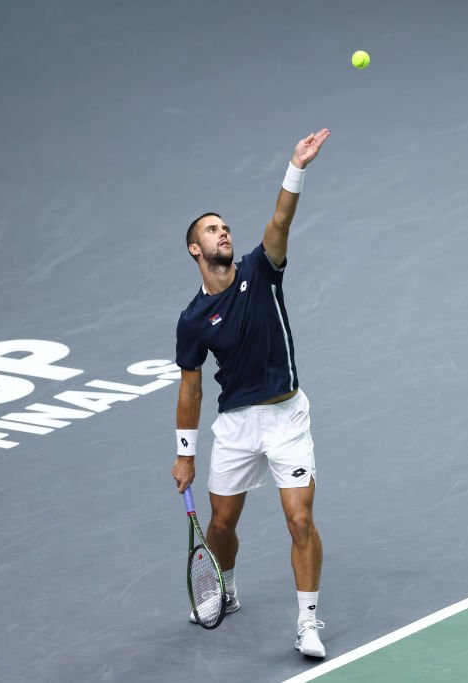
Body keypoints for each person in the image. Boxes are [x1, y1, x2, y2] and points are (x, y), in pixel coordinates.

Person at [171, 129, 330, 658]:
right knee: (221, 524)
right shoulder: (192, 320)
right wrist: (185, 456)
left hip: (287, 418)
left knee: (300, 519)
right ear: (196, 249)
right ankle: (225, 589)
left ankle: (308, 620)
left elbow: (280, 220)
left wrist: (296, 166)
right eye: (212, 230)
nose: (224, 234)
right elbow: (190, 391)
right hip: (236, 426)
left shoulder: (262, 272)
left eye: (226, 228)